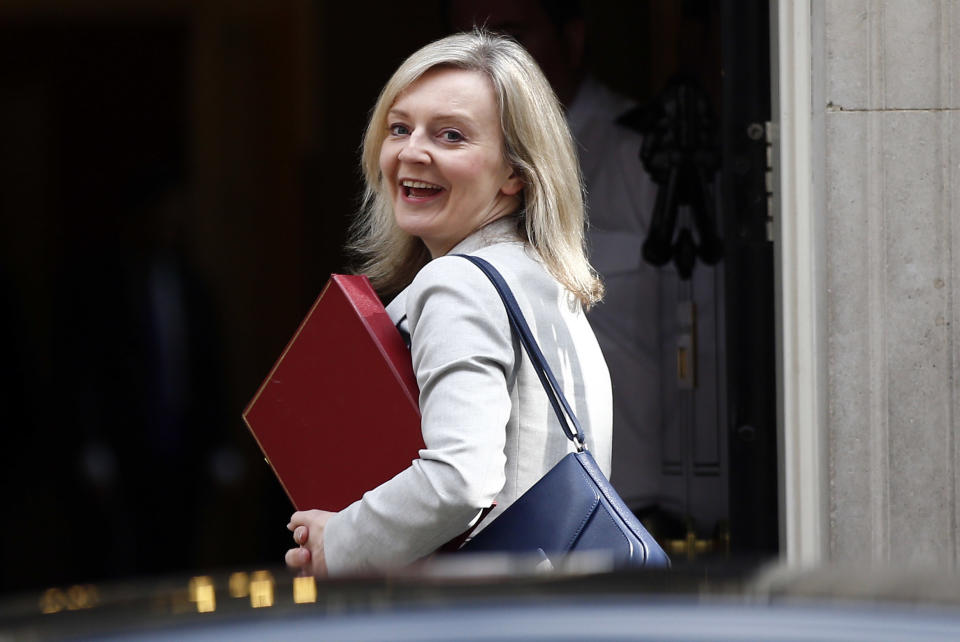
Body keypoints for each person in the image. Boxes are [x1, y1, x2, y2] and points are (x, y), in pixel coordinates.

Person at [284, 30, 612, 576]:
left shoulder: (458, 284)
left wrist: (338, 542)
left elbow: (460, 480)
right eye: (399, 128)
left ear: (516, 172)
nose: (412, 151)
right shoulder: (542, 277)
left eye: (451, 135)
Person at [445, 0, 666, 515]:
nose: (484, 59)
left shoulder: (645, 156)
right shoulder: (441, 183)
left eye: (510, 34)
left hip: (649, 502)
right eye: (462, 42)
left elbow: (709, 336)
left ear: (572, 41)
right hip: (519, 520)